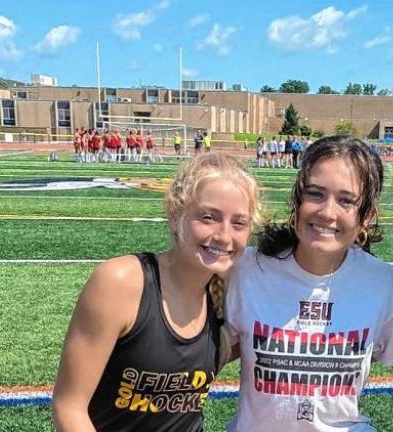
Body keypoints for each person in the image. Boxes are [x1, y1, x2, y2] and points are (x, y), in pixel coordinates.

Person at [52, 153, 262, 432]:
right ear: (175, 216)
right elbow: (69, 407)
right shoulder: (122, 282)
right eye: (208, 217)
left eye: (239, 223)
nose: (224, 235)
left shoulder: (229, 295)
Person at [224, 136, 393, 431]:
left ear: (366, 217)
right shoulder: (246, 270)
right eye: (316, 194)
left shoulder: (383, 284)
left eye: (346, 200)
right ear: (297, 201)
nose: (327, 212)